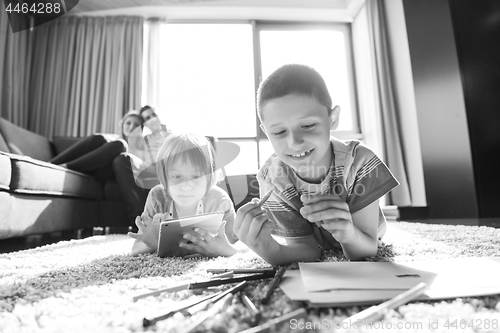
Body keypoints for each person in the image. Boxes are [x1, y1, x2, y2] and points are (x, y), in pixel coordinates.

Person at [233, 64, 399, 266]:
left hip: (366, 234)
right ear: (266, 132)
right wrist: (271, 251)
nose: (294, 142)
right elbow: (307, 249)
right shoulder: (272, 178)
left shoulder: (360, 162)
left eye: (308, 126)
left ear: (333, 119)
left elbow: (366, 250)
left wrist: (348, 234)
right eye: (279, 132)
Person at [127, 132, 242, 257]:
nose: (186, 186)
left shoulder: (219, 201)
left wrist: (223, 250)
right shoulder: (157, 198)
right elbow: (135, 249)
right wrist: (153, 243)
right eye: (177, 176)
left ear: (209, 177)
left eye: (196, 176)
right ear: (164, 177)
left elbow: (241, 247)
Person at [112, 106, 169, 227]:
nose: (132, 126)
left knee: (123, 159)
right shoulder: (116, 143)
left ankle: (138, 221)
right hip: (130, 172)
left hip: (147, 172)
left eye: (153, 114)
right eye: (128, 123)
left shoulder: (150, 141)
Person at [50, 111, 143, 182]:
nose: (131, 127)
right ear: (122, 125)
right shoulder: (113, 140)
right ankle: (51, 164)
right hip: (91, 167)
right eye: (128, 123)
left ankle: (66, 167)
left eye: (136, 125)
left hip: (108, 173)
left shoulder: (143, 149)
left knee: (121, 145)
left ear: (141, 129)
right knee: (100, 138)